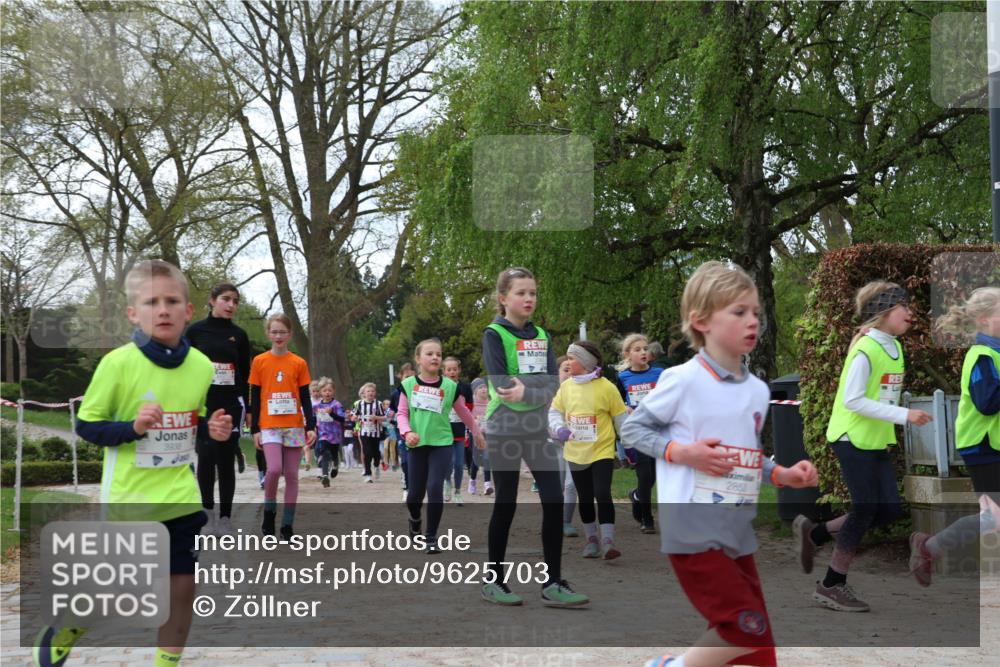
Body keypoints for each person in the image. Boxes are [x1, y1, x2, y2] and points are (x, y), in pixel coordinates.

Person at [35, 260, 232, 667]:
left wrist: (210, 429)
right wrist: (133, 428)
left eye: (171, 301)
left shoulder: (201, 366)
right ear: (133, 313)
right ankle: (70, 624)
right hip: (131, 501)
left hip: (181, 498)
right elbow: (87, 425)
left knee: (181, 592)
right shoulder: (118, 364)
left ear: (188, 310)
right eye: (151, 302)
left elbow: (187, 419)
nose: (163, 310)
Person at [622, 260, 818, 667]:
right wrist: (682, 452)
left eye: (756, 313)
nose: (753, 321)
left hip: (735, 530)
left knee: (760, 648)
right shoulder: (682, 379)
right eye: (739, 312)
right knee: (743, 627)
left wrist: (781, 473)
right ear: (701, 321)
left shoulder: (757, 390)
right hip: (692, 528)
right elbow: (633, 430)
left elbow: (746, 455)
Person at [792, 280, 932, 612]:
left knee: (889, 510)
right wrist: (904, 415)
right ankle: (831, 584)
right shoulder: (866, 349)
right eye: (904, 306)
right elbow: (853, 400)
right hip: (850, 437)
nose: (910, 312)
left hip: (873, 440)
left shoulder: (894, 347)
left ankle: (815, 534)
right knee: (866, 508)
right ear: (883, 310)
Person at [480, 267, 589, 608]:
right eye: (521, 293)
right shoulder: (494, 334)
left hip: (536, 430)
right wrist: (534, 389)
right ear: (503, 298)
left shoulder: (541, 334)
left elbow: (555, 383)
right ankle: (494, 580)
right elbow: (502, 386)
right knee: (506, 503)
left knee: (553, 501)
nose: (529, 298)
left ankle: (552, 582)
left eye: (533, 293)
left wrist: (529, 390)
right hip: (504, 430)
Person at [909, 287, 1000, 584]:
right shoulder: (981, 356)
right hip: (983, 448)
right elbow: (987, 402)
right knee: (994, 518)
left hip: (993, 446)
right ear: (985, 319)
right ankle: (929, 547)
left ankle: (930, 547)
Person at [397, 338, 484, 554]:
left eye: (438, 354)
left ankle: (431, 538)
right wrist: (407, 432)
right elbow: (402, 414)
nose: (435, 357)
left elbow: (463, 412)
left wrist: (476, 432)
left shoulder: (450, 386)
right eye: (429, 354)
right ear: (418, 359)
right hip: (417, 444)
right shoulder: (408, 385)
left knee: (435, 487)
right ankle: (415, 520)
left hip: (442, 443)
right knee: (414, 495)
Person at [550, 340, 628, 559]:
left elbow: (621, 419)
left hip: (601, 450)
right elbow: (554, 412)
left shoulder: (607, 387)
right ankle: (592, 540)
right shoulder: (566, 387)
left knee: (602, 493)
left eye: (571, 358)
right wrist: (559, 429)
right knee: (584, 497)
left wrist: (629, 446)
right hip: (575, 452)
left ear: (586, 362)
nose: (568, 362)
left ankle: (608, 541)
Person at [185, 282, 251, 537]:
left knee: (225, 460)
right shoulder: (195, 331)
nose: (231, 305)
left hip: (231, 403)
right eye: (226, 299)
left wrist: (249, 408)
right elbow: (184, 368)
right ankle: (207, 515)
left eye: (235, 301)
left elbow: (246, 374)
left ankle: (225, 519)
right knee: (205, 458)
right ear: (212, 300)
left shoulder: (239, 335)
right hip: (204, 404)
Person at [249, 313, 316, 539]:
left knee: (292, 474)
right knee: (274, 469)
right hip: (269, 426)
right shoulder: (259, 361)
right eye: (274, 331)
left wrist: (310, 425)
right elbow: (255, 397)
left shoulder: (299, 363)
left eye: (282, 332)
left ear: (290, 334)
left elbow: (305, 396)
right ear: (268, 333)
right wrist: (255, 429)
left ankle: (287, 525)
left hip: (294, 426)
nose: (278, 336)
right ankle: (269, 514)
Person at [617, 332, 663, 534]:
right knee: (645, 475)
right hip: (638, 431)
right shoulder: (622, 377)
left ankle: (636, 496)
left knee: (654, 476)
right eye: (637, 350)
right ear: (627, 355)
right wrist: (625, 406)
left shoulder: (660, 373)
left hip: (659, 430)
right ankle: (647, 519)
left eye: (645, 348)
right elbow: (618, 401)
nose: (643, 352)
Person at [443, 356, 473, 506]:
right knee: (448, 463)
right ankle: (447, 482)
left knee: (459, 464)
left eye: (454, 369)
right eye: (449, 369)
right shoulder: (440, 386)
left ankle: (458, 492)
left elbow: (470, 407)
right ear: (444, 371)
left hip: (460, 430)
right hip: (444, 430)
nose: (452, 372)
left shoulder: (465, 388)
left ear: (459, 370)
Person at [555, 356, 579, 536]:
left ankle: (565, 521)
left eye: (572, 370)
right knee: (555, 484)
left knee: (571, 485)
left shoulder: (581, 392)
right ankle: (553, 517)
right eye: (565, 370)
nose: (569, 374)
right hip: (552, 445)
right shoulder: (549, 393)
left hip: (574, 445)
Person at [390, 363, 416, 499]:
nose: (409, 380)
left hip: (418, 430)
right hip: (402, 432)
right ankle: (407, 488)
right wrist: (390, 415)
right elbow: (392, 410)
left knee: (416, 461)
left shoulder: (420, 392)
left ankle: (416, 486)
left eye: (412, 377)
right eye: (406, 377)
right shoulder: (396, 394)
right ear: (400, 377)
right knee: (405, 461)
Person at [314, 377, 346, 489]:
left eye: (329, 390)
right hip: (323, 435)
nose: (327, 393)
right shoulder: (317, 406)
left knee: (333, 454)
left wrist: (332, 414)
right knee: (324, 453)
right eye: (324, 391)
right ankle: (325, 476)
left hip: (335, 435)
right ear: (320, 392)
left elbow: (343, 419)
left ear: (333, 391)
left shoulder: (336, 405)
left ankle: (336, 465)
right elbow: (313, 417)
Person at [354, 382, 386, 483]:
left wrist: (376, 417)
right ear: (364, 393)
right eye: (368, 391)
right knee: (367, 452)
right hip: (364, 431)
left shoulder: (379, 404)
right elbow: (353, 414)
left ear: (375, 393)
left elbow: (384, 417)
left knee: (376, 452)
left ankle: (376, 465)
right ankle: (368, 474)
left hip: (376, 432)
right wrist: (354, 417)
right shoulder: (359, 404)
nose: (370, 393)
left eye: (372, 391)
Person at [467, 378, 494, 496]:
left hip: (488, 434)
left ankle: (487, 484)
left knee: (487, 457)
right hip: (476, 434)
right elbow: (467, 418)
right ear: (475, 391)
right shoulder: (472, 403)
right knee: (477, 460)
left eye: (485, 387)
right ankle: (472, 481)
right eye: (480, 388)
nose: (484, 389)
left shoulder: (491, 402)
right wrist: (475, 421)